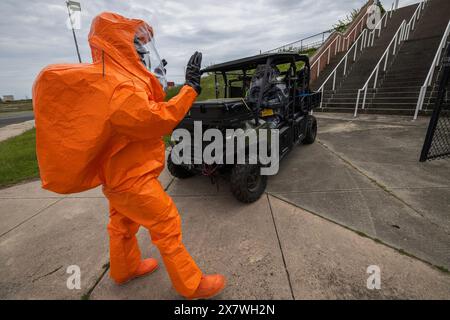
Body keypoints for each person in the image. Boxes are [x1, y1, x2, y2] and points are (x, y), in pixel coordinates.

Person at [35, 12, 226, 300]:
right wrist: (190, 90)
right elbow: (154, 120)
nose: (143, 52)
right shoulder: (119, 86)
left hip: (119, 178)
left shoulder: (115, 78)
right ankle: (191, 285)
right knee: (166, 222)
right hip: (132, 179)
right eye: (137, 45)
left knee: (122, 225)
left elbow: (141, 109)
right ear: (121, 45)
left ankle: (125, 269)